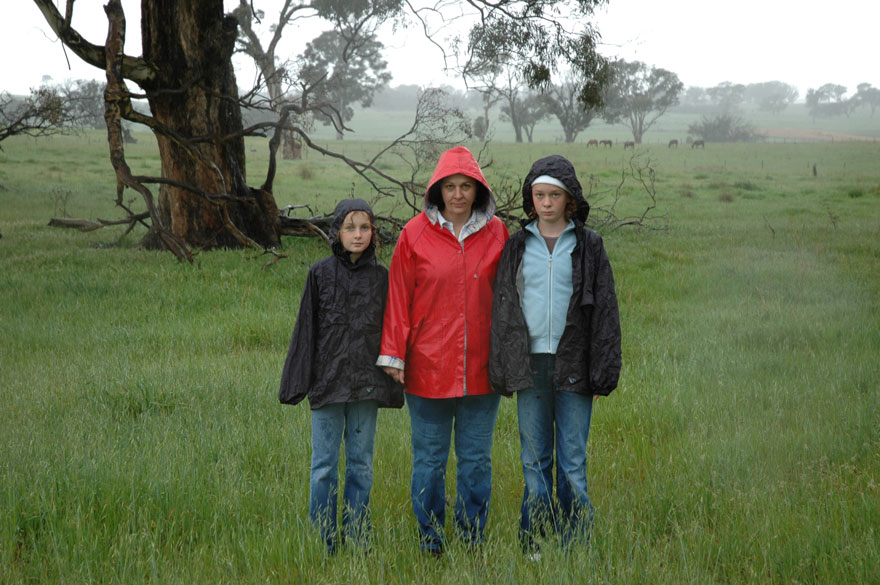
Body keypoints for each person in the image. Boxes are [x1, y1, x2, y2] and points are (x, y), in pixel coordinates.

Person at [378, 146, 509, 556]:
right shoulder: (413, 234)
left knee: (476, 462)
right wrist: (394, 354)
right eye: (450, 187)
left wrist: (511, 358)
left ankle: (472, 539)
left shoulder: (498, 232)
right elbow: (399, 296)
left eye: (465, 186)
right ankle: (431, 540)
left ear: (478, 190)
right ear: (437, 190)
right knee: (429, 462)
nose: (457, 194)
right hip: (427, 369)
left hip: (481, 370)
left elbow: (509, 300)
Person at [489, 155, 621, 555]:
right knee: (535, 460)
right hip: (531, 365)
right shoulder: (516, 244)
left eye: (555, 195)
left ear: (570, 199)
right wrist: (503, 367)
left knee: (573, 462)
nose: (546, 203)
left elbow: (605, 311)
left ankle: (575, 543)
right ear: (531, 198)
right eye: (539, 194)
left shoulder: (589, 245)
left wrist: (603, 372)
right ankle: (535, 541)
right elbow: (503, 308)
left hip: (575, 365)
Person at [279, 198, 403, 555]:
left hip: (366, 386)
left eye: (365, 227)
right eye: (350, 227)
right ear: (336, 231)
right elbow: (306, 330)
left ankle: (359, 539)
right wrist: (296, 384)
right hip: (327, 385)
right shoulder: (319, 274)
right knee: (323, 467)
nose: (358, 235)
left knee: (361, 466)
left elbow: (392, 330)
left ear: (373, 233)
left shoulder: (381, 277)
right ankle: (322, 542)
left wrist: (394, 379)